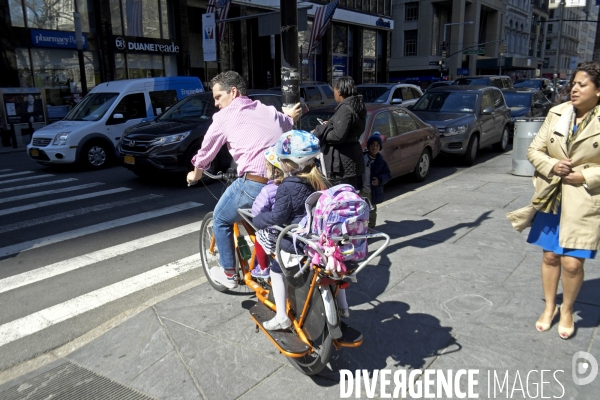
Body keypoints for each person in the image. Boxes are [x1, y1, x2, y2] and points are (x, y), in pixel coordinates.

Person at [187, 71, 302, 289]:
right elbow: (286, 122)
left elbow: (206, 151)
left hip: (253, 183)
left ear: (234, 92)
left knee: (220, 219)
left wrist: (196, 173)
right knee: (266, 226)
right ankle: (265, 266)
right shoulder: (266, 110)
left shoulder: (225, 117)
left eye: (218, 97)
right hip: (282, 184)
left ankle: (229, 274)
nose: (216, 103)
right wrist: (288, 114)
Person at [516, 62, 600, 340]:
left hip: (584, 199)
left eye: (582, 84)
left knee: (573, 263)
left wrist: (585, 175)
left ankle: (568, 309)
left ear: (598, 91)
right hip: (553, 195)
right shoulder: (557, 113)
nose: (574, 89)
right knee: (551, 256)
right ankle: (550, 306)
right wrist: (552, 165)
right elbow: (534, 150)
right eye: (573, 84)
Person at [252, 130, 329, 330]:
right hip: (318, 237)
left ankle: (281, 316)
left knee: (276, 270)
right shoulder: (318, 178)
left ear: (288, 163)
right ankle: (344, 308)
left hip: (295, 240)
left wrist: (258, 220)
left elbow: (278, 217)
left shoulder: (287, 185)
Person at [312, 76, 366, 189]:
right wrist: (331, 124)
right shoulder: (357, 105)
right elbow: (347, 128)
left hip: (343, 164)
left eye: (335, 89)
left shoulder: (345, 108)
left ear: (340, 91)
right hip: (352, 158)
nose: (334, 93)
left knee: (341, 197)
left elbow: (338, 136)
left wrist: (323, 131)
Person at [250, 145, 285, 279]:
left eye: (267, 167)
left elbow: (257, 210)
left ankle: (263, 268)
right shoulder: (290, 185)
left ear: (275, 171)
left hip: (274, 234)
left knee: (259, 236)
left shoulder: (269, 190)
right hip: (288, 230)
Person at [359, 132, 391, 229]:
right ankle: (360, 228)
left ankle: (371, 228)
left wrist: (380, 180)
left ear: (380, 147)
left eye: (377, 145)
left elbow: (388, 175)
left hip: (373, 191)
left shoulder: (381, 161)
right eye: (372, 145)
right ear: (368, 145)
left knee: (372, 210)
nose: (374, 147)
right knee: (360, 210)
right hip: (362, 190)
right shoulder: (362, 157)